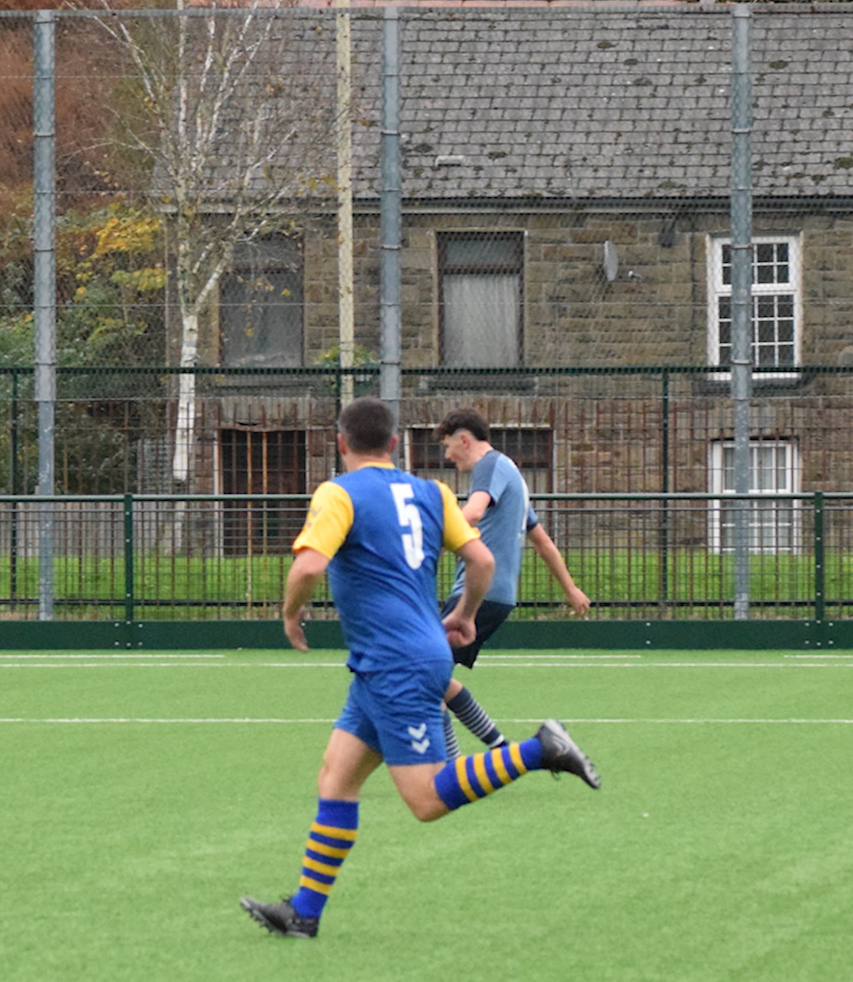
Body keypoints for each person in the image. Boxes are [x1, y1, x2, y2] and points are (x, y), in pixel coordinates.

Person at [242, 398, 599, 940]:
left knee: (426, 800)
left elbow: (309, 565)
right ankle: (304, 914)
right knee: (336, 778)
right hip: (393, 660)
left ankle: (539, 749)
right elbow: (482, 560)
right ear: (393, 445)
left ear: (341, 444)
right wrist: (465, 615)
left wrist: (291, 615)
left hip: (395, 664)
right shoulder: (432, 493)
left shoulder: (339, 493)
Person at [433, 408, 592, 756]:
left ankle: (456, 766)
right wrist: (570, 588)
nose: (447, 457)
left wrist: (425, 540)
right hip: (497, 596)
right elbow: (543, 542)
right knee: (434, 675)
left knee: (425, 675)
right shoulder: (512, 475)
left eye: (447, 446)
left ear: (464, 440)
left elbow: (472, 513)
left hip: (478, 592)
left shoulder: (489, 466)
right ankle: (500, 749)